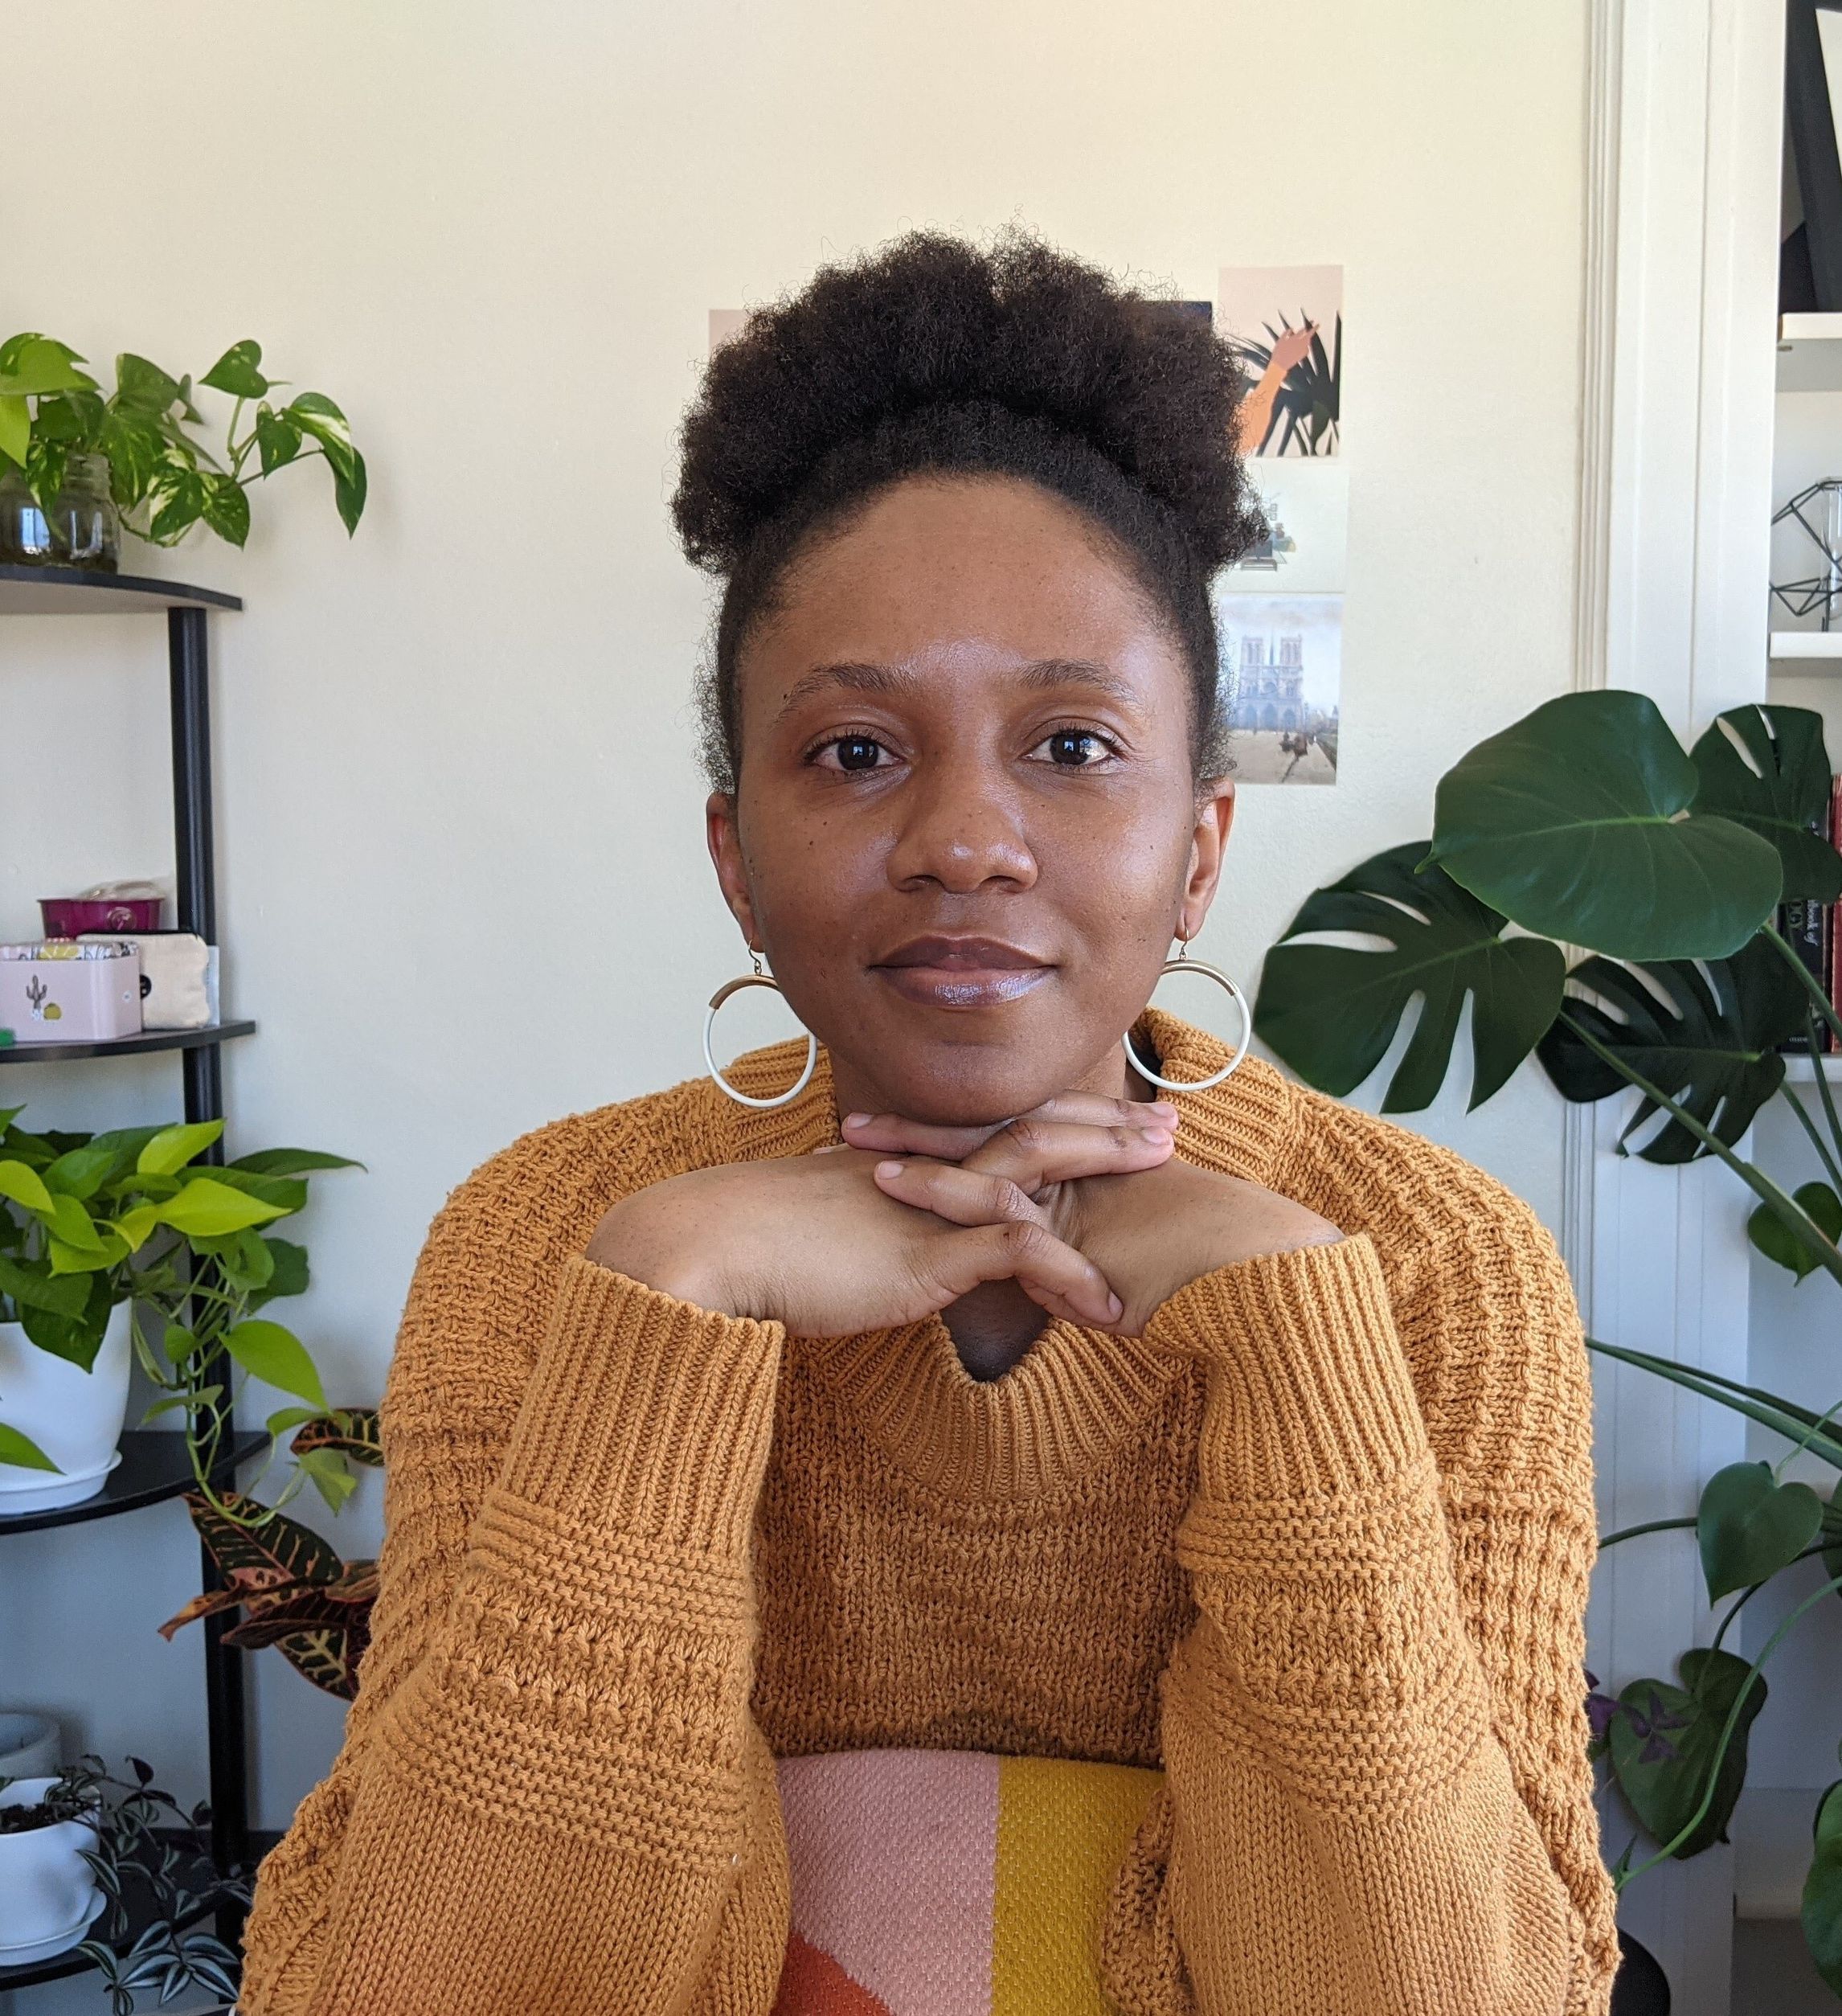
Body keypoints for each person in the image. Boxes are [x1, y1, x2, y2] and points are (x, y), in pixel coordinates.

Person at [239, 232, 1618, 2016]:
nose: (967, 841)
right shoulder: (552, 1235)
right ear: (737, 860)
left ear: (1200, 849)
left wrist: (1293, 1349)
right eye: (857, 752)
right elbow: (417, 1986)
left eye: (1072, 746)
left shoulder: (1433, 1265)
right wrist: (665, 1301)